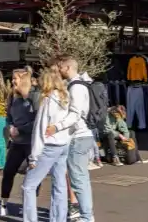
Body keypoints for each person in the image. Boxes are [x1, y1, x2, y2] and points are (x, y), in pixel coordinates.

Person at [0, 67, 40, 218]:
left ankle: (28, 207)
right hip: (16, 142)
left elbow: (39, 121)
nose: (13, 81)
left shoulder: (35, 96)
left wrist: (21, 129)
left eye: (15, 78)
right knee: (8, 171)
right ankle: (3, 206)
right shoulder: (13, 96)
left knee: (32, 176)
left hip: (31, 142)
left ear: (24, 80)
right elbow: (8, 114)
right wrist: (10, 125)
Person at [22, 67, 72, 222]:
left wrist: (33, 157)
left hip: (49, 146)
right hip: (63, 143)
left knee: (28, 186)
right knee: (59, 185)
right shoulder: (65, 97)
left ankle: (30, 220)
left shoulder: (48, 100)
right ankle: (59, 219)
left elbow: (40, 129)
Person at [50, 57, 96, 222]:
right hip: (83, 136)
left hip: (78, 136)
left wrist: (57, 126)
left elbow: (75, 114)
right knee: (80, 178)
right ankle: (86, 215)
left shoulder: (76, 87)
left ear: (68, 67)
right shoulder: (81, 84)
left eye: (61, 67)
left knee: (78, 179)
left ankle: (86, 216)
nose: (59, 70)